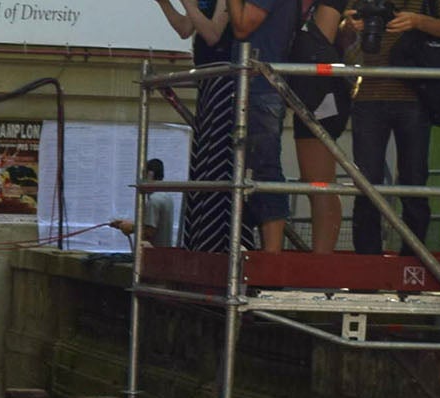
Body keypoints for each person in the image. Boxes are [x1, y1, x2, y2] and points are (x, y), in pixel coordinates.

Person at [348, 0, 440, 255]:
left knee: (414, 181)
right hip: (368, 95)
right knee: (366, 183)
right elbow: (339, 34)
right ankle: (366, 264)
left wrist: (417, 21)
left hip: (415, 95)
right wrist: (352, 23)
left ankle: (413, 263)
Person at [154, 0, 241, 252]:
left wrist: (187, 3)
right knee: (203, 155)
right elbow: (185, 28)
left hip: (225, 80)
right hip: (208, 81)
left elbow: (213, 34)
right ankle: (201, 238)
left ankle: (220, 239)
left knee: (218, 157)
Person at [226, 0, 300, 252]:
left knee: (265, 170)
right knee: (253, 170)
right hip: (256, 86)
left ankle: (272, 255)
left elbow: (243, 26)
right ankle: (267, 253)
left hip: (261, 87)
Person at [287, 2, 347, 253]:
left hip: (322, 94)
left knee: (319, 182)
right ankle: (322, 254)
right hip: (310, 93)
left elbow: (321, 39)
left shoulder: (325, 10)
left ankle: (322, 258)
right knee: (314, 180)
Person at [112, 159, 181, 247]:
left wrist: (131, 228)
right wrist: (127, 224)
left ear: (150, 175)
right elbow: (154, 225)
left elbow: (149, 231)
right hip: (164, 251)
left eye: (142, 175)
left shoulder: (154, 200)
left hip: (154, 254)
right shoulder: (166, 196)